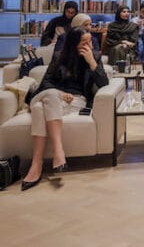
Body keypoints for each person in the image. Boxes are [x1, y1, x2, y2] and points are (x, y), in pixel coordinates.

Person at [20, 27, 109, 191]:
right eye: (84, 42)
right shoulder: (59, 57)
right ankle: (58, 150)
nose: (89, 45)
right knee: (50, 95)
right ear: (73, 44)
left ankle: (36, 164)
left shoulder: (95, 56)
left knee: (39, 108)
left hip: (76, 100)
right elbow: (45, 84)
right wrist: (60, 94)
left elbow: (104, 83)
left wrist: (92, 62)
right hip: (54, 96)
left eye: (90, 41)